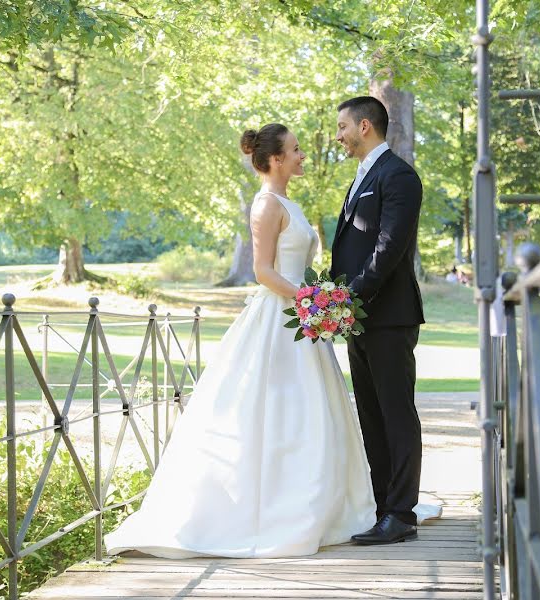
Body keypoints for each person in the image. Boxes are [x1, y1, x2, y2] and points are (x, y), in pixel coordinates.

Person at [104, 123, 376, 558]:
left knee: (310, 411)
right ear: (274, 159)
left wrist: (313, 301)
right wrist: (310, 298)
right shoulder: (266, 204)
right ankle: (260, 512)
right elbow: (263, 271)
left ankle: (322, 504)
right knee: (272, 411)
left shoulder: (289, 201)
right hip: (281, 317)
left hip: (302, 318)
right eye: (296, 149)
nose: (303, 154)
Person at [331, 96, 425, 545]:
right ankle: (382, 506)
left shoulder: (399, 176)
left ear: (365, 125)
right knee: (371, 415)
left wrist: (353, 295)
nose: (338, 136)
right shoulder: (361, 177)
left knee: (396, 414)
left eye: (342, 127)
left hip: (388, 316)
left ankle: (402, 513)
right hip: (358, 317)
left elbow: (389, 248)